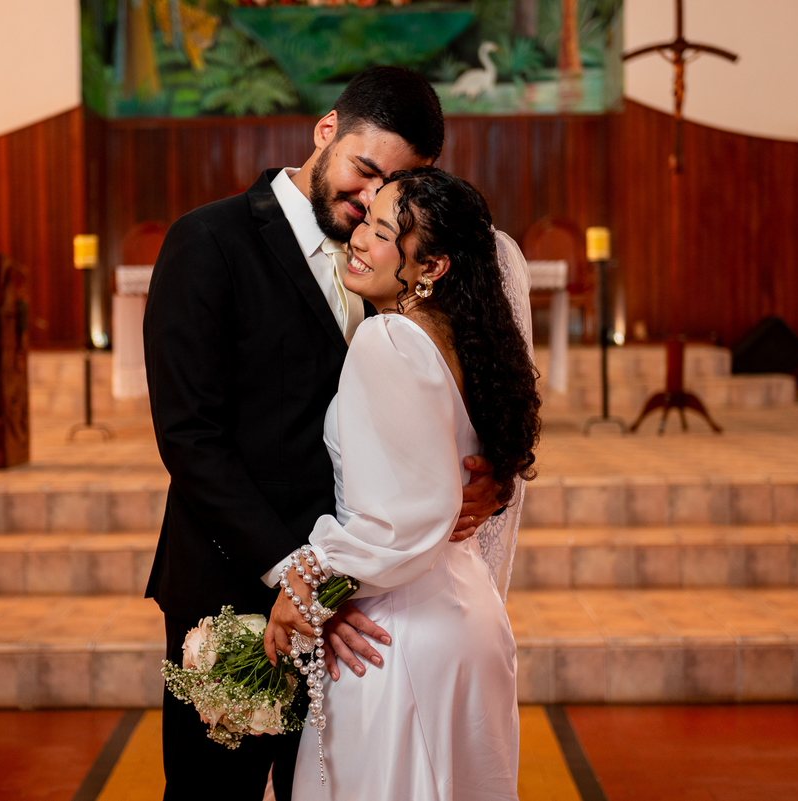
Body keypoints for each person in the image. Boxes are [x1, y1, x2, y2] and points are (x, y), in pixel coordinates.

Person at [143, 68, 505, 801]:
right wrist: (300, 581)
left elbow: (455, 395)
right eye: (365, 170)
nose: (372, 198)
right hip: (241, 591)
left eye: (393, 190)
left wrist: (490, 474)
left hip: (365, 610)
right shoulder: (208, 241)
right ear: (325, 132)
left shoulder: (402, 268)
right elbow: (191, 437)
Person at [264, 167, 541, 800]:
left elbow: (404, 518)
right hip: (467, 615)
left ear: (432, 266)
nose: (358, 238)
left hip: (394, 633)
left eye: (384, 231)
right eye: (366, 220)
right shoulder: (469, 341)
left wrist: (307, 576)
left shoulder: (386, 338)